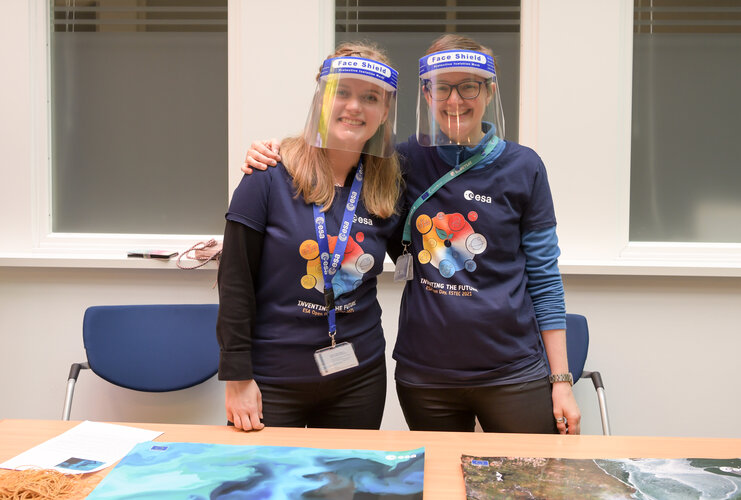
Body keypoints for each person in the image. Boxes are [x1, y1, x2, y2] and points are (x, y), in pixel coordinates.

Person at [242, 34, 581, 435]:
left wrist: (561, 382)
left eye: (469, 85)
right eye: (442, 87)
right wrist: (274, 151)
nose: (455, 100)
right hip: (426, 374)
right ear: (426, 92)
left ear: (489, 91)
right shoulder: (400, 163)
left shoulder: (525, 167)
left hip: (512, 369)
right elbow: (335, 160)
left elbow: (544, 279)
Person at [217, 41, 403, 432]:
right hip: (272, 379)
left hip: (359, 378)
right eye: (343, 93)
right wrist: (237, 379)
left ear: (384, 112)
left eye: (370, 97)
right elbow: (235, 284)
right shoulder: (267, 176)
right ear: (321, 98)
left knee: (345, 490)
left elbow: (418, 259)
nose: (355, 107)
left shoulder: (387, 187)